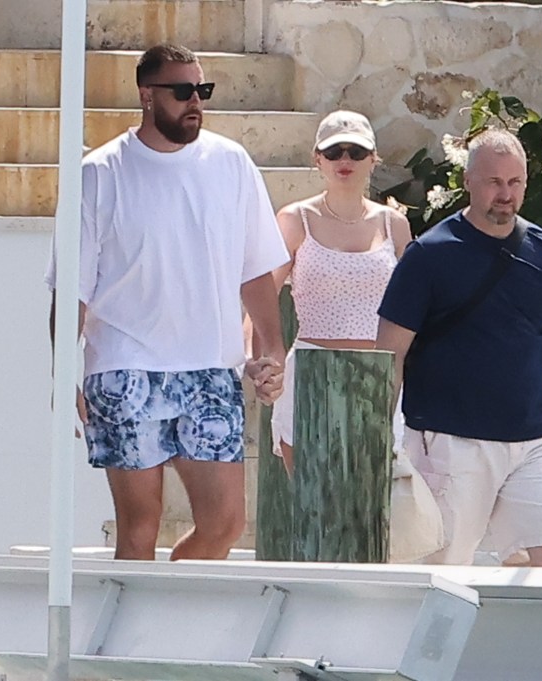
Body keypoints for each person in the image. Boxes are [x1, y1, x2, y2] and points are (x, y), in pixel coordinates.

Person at [45, 43, 289, 561]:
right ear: (146, 95)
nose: (194, 102)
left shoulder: (232, 163)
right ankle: (128, 641)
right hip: (125, 369)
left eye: (202, 90)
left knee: (225, 523)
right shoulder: (99, 173)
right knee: (139, 527)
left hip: (210, 369)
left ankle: (168, 619)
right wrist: (63, 369)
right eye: (181, 92)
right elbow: (73, 290)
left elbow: (256, 270)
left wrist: (273, 351)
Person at [376, 127, 542, 568]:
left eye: (514, 182)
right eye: (494, 182)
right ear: (469, 182)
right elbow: (389, 354)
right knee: (440, 573)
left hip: (535, 439)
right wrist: (380, 435)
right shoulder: (429, 256)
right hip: (449, 441)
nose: (505, 193)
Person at [268, 110, 411, 474]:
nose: (344, 160)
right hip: (310, 377)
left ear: (373, 160)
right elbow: (263, 296)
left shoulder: (394, 225)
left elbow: (413, 309)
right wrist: (259, 359)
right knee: (311, 506)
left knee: (374, 507)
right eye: (333, 152)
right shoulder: (294, 219)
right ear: (318, 159)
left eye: (355, 152)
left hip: (379, 379)